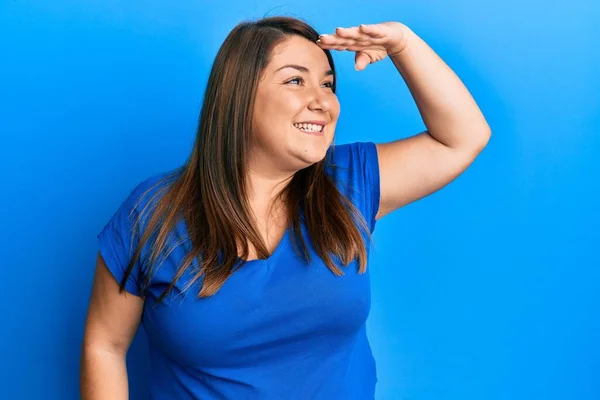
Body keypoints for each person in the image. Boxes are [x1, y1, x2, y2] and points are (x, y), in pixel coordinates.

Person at [80, 16, 490, 400]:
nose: (322, 102)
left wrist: (403, 42)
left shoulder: (349, 182)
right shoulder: (153, 214)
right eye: (296, 80)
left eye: (328, 85)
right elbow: (106, 344)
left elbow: (463, 137)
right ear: (239, 98)